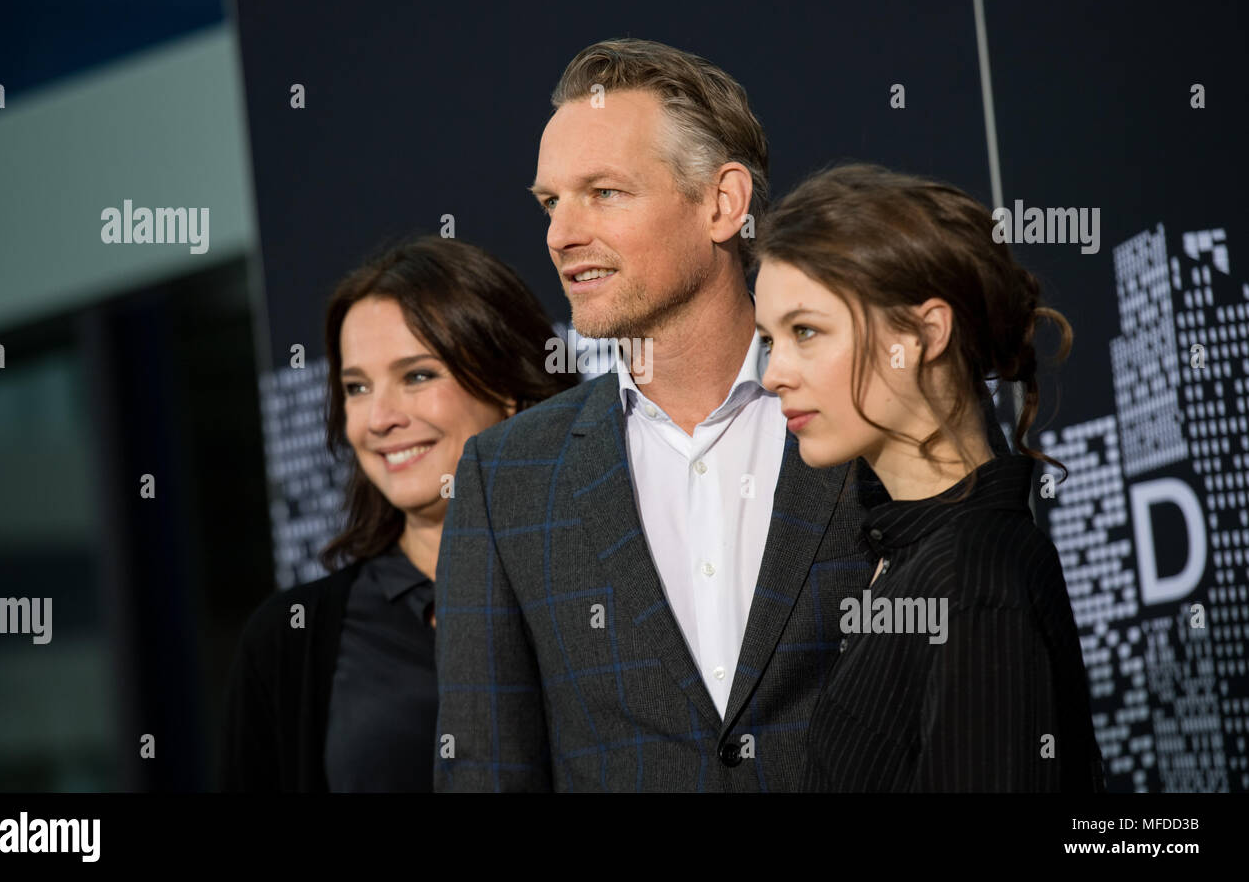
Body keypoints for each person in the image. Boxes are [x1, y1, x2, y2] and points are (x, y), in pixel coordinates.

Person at [433, 39, 1011, 791]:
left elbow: (988, 698)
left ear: (722, 203)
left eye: (603, 192)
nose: (561, 234)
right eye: (551, 202)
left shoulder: (871, 411)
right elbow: (485, 773)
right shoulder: (505, 477)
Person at [753, 162, 1106, 791]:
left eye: (805, 332)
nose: (774, 373)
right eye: (769, 339)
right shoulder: (905, 547)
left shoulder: (973, 577)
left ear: (925, 332)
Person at [220, 235, 576, 791]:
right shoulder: (291, 641)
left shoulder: (602, 587)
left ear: (506, 387)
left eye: (417, 376)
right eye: (356, 388)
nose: (379, 418)